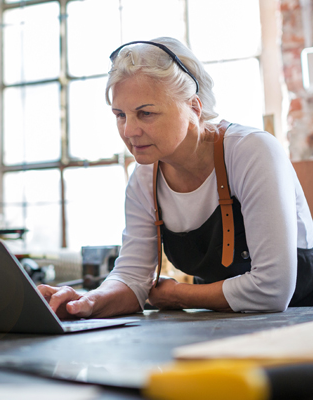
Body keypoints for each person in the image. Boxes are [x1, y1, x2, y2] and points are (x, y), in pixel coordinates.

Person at [38, 37, 313, 318]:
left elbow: (273, 289)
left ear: (194, 107)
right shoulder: (144, 179)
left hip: (300, 325)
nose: (129, 130)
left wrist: (177, 295)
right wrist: (87, 302)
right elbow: (132, 278)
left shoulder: (251, 151)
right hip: (220, 325)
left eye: (146, 113)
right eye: (120, 115)